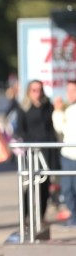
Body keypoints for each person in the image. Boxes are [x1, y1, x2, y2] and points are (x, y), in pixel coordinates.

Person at [16, 80, 60, 223]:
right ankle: (25, 215)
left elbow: (53, 125)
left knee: (45, 185)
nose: (37, 93)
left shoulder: (48, 106)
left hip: (48, 149)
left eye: (39, 90)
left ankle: (41, 215)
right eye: (34, 90)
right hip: (33, 151)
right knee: (31, 184)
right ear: (29, 92)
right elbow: (20, 130)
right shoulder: (23, 108)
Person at [52, 80, 76, 227]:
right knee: (67, 189)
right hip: (67, 154)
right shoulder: (67, 109)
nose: (69, 94)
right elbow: (60, 128)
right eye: (68, 90)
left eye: (73, 90)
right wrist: (57, 110)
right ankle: (73, 218)